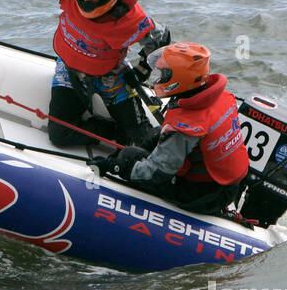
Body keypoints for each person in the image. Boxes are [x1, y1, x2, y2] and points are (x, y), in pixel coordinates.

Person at [3, 0, 169, 147]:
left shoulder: (132, 19)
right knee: (59, 136)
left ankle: (128, 137)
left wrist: (143, 69)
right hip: (70, 71)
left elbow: (162, 40)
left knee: (141, 139)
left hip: (112, 76)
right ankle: (109, 132)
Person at [100, 42, 250, 216]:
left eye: (165, 74)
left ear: (181, 78)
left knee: (128, 156)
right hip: (229, 184)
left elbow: (154, 176)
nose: (160, 78)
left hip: (203, 195)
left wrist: (115, 167)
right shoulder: (224, 97)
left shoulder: (186, 126)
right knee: (156, 135)